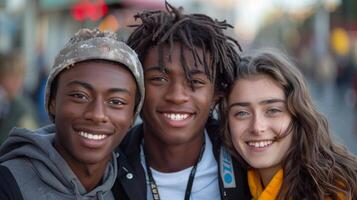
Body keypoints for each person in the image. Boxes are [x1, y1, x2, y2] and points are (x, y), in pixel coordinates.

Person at [114, 2, 251, 200]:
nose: (177, 96)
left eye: (195, 81)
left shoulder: (249, 165)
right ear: (135, 87)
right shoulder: (104, 166)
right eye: (159, 79)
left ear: (216, 94)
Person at [0, 28, 145, 200]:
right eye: (80, 96)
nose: (97, 115)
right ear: (52, 102)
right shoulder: (8, 185)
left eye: (116, 102)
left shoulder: (128, 186)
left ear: (132, 115)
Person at [220, 49, 357, 199]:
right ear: (227, 122)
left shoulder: (338, 191)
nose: (257, 127)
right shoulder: (231, 186)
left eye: (273, 110)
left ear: (297, 115)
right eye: (242, 113)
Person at [0, 52, 38, 144]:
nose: (17, 81)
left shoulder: (23, 105)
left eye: (20, 76)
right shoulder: (5, 102)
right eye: (11, 75)